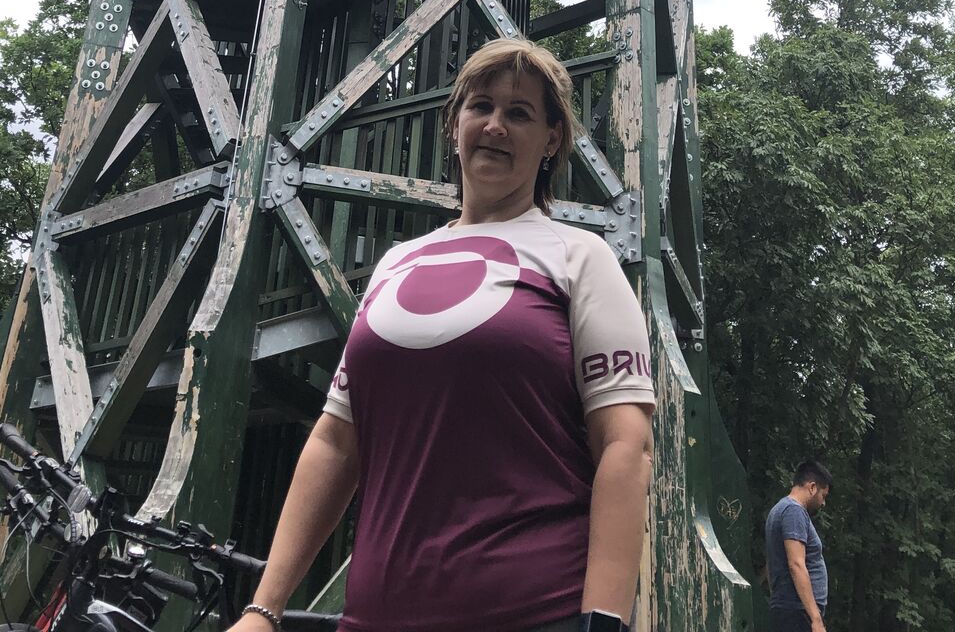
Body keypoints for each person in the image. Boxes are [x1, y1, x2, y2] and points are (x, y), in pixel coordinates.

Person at [229, 37, 656, 632]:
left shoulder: (580, 256)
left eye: (520, 113)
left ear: (551, 141)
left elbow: (625, 446)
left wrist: (603, 622)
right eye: (480, 106)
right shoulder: (395, 264)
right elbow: (336, 443)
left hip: (532, 613)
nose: (495, 126)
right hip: (374, 617)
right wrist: (263, 609)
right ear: (455, 125)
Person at [764, 459, 832, 632]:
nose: (823, 503)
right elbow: (796, 564)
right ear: (812, 487)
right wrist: (815, 618)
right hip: (797, 612)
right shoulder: (793, 511)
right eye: (823, 496)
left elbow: (771, 566)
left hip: (790, 608)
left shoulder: (779, 510)